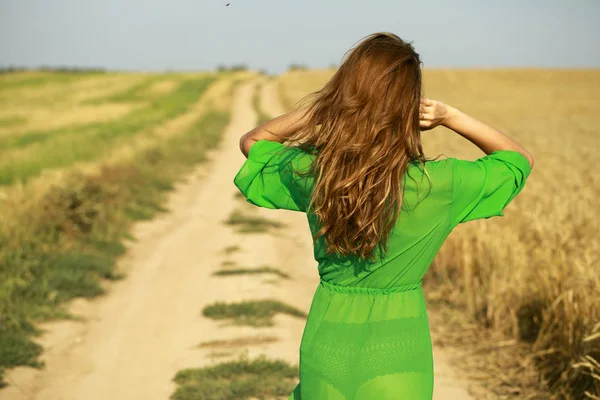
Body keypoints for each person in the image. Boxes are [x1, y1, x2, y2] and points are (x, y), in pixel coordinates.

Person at [233, 32, 534, 400]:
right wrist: (450, 116)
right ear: (409, 107)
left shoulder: (317, 174)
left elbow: (253, 142)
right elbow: (518, 160)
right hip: (399, 351)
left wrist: (328, 107)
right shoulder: (439, 183)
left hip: (328, 341)